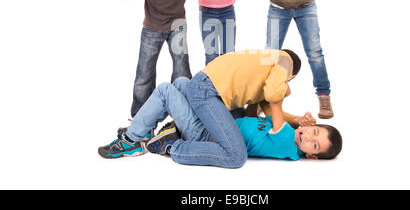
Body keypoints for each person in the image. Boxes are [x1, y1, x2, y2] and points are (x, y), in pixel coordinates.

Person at [99, 48, 302, 168]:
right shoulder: (284, 61)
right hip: (208, 90)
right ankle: (132, 140)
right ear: (291, 76)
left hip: (204, 81)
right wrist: (284, 89)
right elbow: (274, 96)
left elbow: (269, 112)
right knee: (164, 91)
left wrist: (296, 120)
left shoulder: (265, 65)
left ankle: (143, 129)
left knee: (179, 83)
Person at [244, 0, 367, 119]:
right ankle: (260, 98)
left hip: (306, 9)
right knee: (271, 52)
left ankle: (324, 95)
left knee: (315, 52)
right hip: (279, 9)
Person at [98, 76, 342, 165]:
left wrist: (278, 83)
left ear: (311, 155)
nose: (309, 137)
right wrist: (299, 118)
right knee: (183, 83)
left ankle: (132, 140)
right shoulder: (289, 132)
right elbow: (257, 114)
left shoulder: (288, 144)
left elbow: (273, 103)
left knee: (165, 90)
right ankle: (151, 128)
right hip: (217, 123)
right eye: (315, 132)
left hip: (206, 134)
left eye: (315, 144)